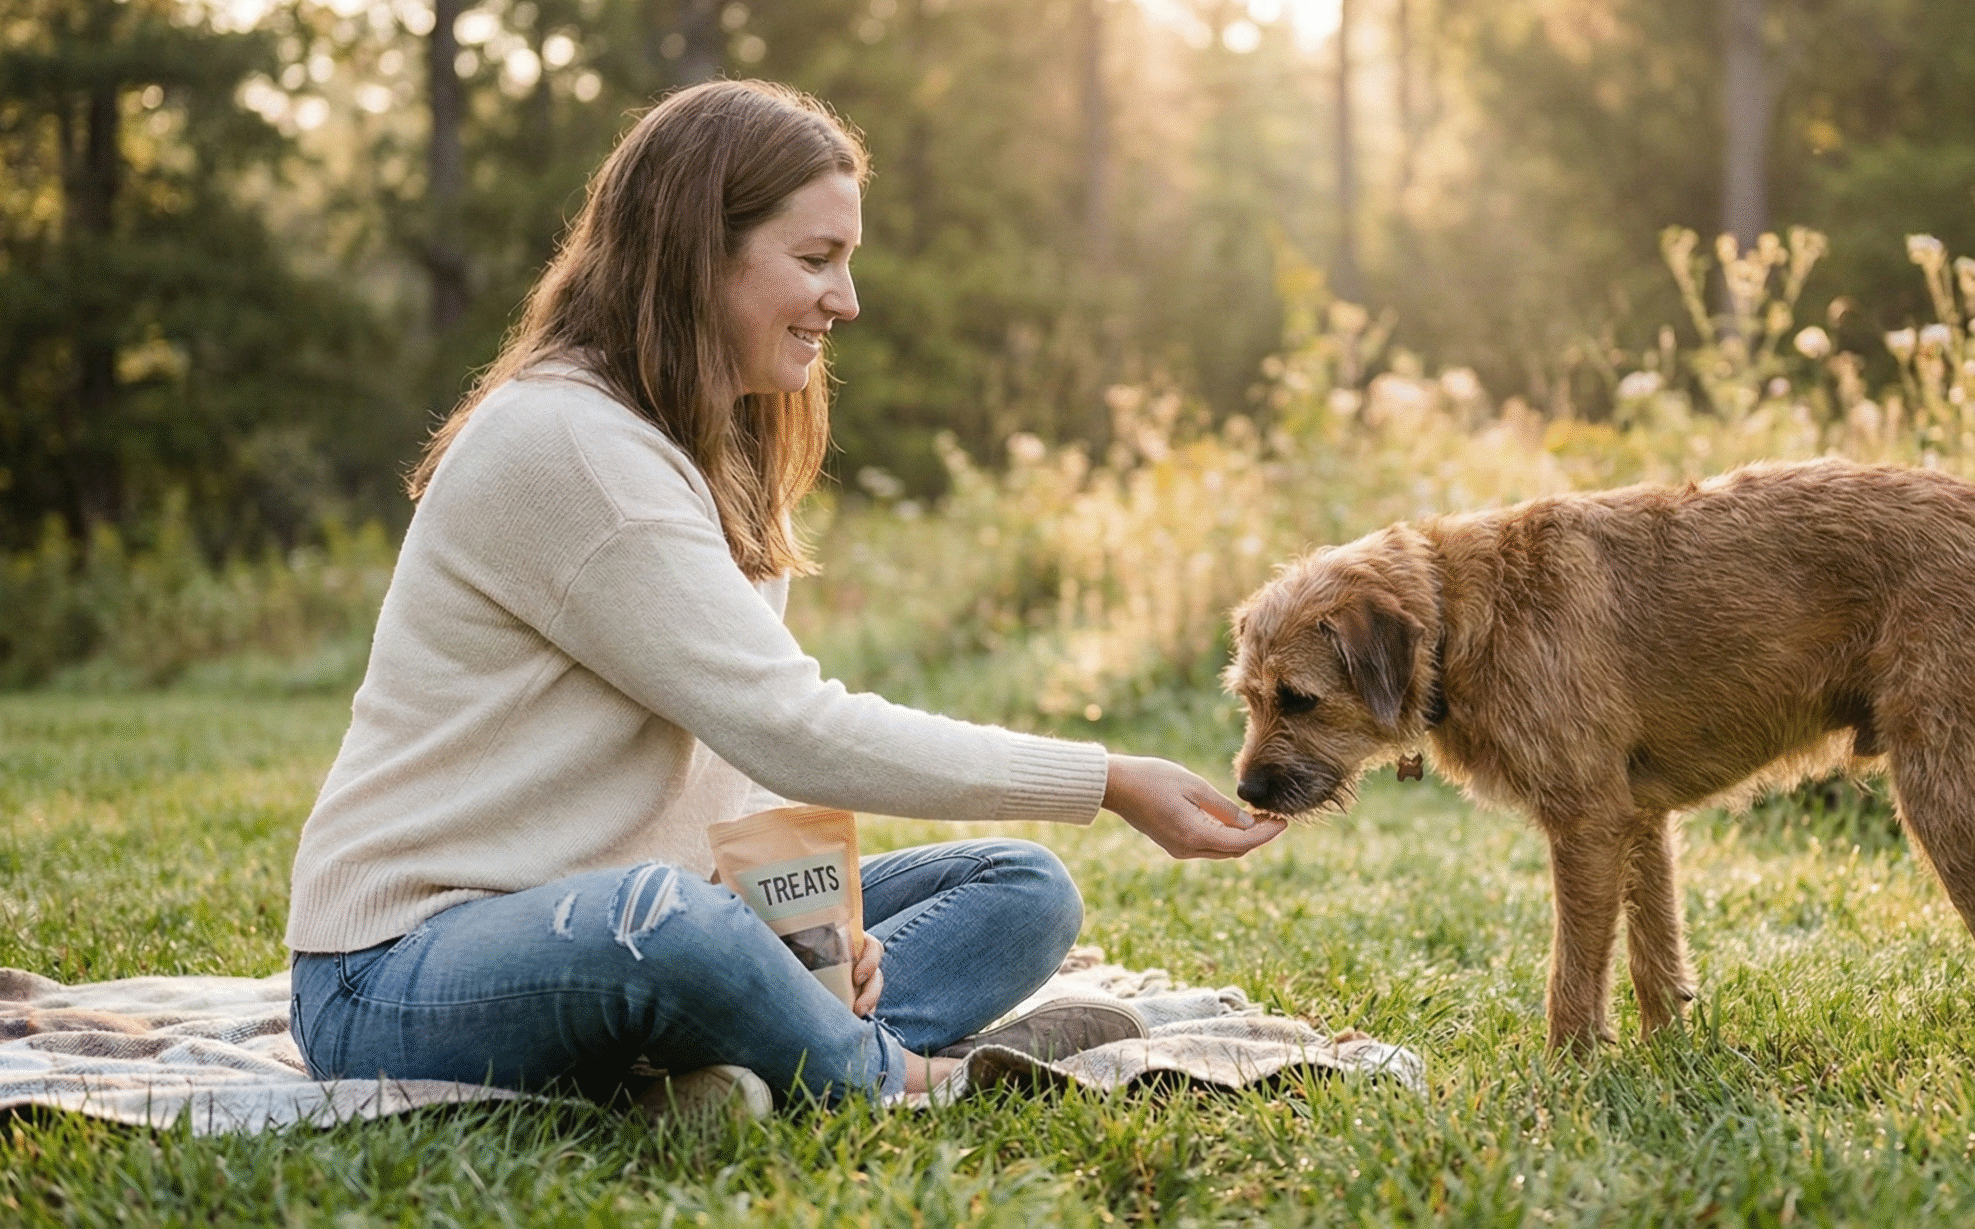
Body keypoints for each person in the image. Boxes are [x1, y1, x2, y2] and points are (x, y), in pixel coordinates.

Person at [285, 79, 1285, 1108]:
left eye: (846, 262)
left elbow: (736, 760)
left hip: (655, 915)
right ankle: (902, 1073)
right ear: (695, 255)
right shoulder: (568, 446)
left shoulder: (715, 444)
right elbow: (789, 729)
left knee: (1019, 889)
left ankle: (743, 1057)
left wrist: (814, 930)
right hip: (397, 973)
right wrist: (1104, 778)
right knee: (668, 922)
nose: (845, 301)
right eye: (814, 260)